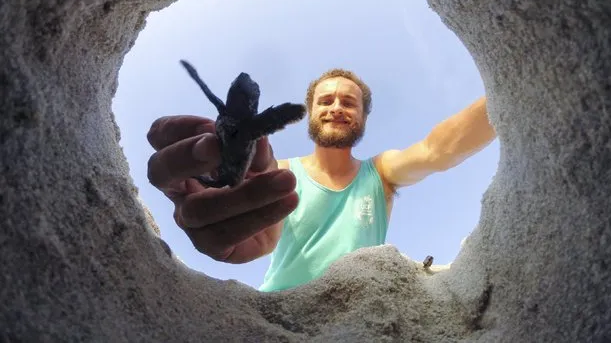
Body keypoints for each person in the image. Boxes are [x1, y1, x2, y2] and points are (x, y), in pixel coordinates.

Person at [146, 68, 496, 291]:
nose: (336, 107)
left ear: (362, 117)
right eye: (325, 100)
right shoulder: (278, 171)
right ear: (310, 113)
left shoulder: (381, 173)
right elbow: (238, 193)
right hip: (277, 314)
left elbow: (438, 150)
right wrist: (207, 186)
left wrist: (509, 92)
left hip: (359, 323)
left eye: (349, 102)